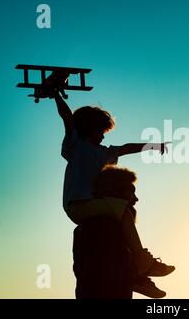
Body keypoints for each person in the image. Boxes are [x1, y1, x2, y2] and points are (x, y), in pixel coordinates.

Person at [53, 93, 175, 286]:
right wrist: (56, 95)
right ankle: (142, 264)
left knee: (125, 216)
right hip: (78, 206)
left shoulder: (102, 153)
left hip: (91, 205)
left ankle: (134, 272)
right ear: (88, 129)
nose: (102, 136)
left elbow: (125, 148)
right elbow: (67, 118)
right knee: (124, 211)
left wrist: (151, 146)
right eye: (100, 131)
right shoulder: (75, 145)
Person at [93, 165, 168, 298]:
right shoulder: (103, 226)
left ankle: (140, 273)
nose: (136, 199)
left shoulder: (114, 225)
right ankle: (143, 266)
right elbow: (104, 271)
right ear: (116, 192)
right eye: (131, 191)